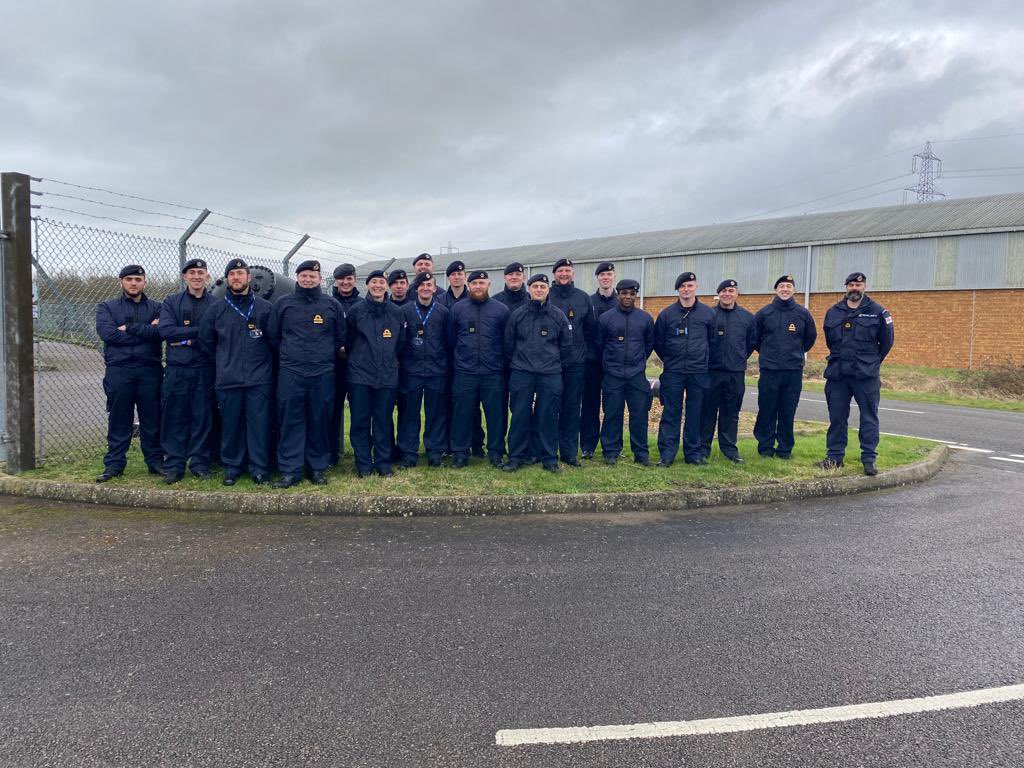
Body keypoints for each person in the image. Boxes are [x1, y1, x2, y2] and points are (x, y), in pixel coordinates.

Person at [266, 260, 346, 487]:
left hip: (322, 374)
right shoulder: (283, 304)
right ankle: (291, 470)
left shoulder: (331, 305)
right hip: (292, 373)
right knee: (291, 421)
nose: (308, 279)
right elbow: (273, 336)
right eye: (304, 276)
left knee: (319, 421)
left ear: (320, 279)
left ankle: (317, 468)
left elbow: (340, 338)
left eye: (313, 276)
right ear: (298, 277)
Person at [198, 258, 274, 486]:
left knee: (259, 425)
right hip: (228, 379)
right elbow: (205, 342)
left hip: (259, 379)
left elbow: (274, 342)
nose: (237, 278)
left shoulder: (264, 308)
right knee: (231, 426)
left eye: (241, 274)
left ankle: (259, 468)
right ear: (227, 279)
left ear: (249, 278)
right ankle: (232, 467)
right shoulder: (216, 309)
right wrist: (223, 362)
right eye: (232, 275)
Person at [818, 272, 895, 476]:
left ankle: (869, 458)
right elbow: (830, 340)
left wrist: (872, 362)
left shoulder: (878, 312)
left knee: (869, 417)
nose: (855, 288)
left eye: (858, 285)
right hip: (838, 374)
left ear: (864, 287)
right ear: (846, 287)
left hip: (865, 375)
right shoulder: (833, 312)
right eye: (851, 284)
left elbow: (886, 343)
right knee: (837, 417)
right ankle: (835, 457)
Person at [94, 265, 163, 482]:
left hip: (149, 370)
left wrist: (128, 328)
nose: (134, 283)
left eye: (138, 279)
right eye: (129, 279)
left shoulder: (157, 307)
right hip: (119, 371)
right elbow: (109, 335)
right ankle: (114, 465)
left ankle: (155, 462)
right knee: (119, 419)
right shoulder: (107, 307)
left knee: (152, 419)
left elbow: (159, 332)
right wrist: (145, 331)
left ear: (145, 282)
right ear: (121, 282)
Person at [502, 274, 572, 473]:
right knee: (519, 416)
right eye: (535, 286)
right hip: (522, 372)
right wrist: (517, 363)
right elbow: (508, 344)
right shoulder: (518, 315)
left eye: (543, 286)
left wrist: (555, 364)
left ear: (548, 289)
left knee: (548, 416)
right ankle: (515, 457)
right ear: (529, 289)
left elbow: (566, 346)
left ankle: (549, 458)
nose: (539, 290)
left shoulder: (558, 316)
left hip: (550, 373)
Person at [157, 258, 215, 483]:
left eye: (201, 272)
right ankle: (174, 464)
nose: (196, 276)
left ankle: (199, 463)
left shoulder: (214, 303)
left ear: (207, 276)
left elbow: (215, 335)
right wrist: (199, 335)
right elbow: (166, 331)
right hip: (177, 370)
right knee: (175, 417)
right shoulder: (171, 301)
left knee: (203, 416)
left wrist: (186, 338)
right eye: (192, 272)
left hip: (204, 368)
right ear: (185, 277)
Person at [345, 269, 407, 477]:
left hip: (387, 375)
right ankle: (363, 464)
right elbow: (349, 341)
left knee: (382, 421)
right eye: (374, 282)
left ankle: (383, 463)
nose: (378, 285)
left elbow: (400, 343)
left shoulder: (397, 313)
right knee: (360, 421)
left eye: (382, 282)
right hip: (360, 375)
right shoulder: (356, 311)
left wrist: (387, 361)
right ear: (367, 285)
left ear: (387, 286)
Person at [447, 270, 509, 468]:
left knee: (496, 415)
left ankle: (496, 453)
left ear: (488, 284)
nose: (478, 286)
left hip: (493, 373)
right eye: (474, 283)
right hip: (465, 372)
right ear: (468, 284)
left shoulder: (501, 310)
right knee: (462, 414)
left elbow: (506, 341)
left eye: (482, 283)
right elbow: (451, 339)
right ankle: (460, 453)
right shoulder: (458, 309)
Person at [752, 275, 817, 459]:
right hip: (770, 370)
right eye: (781, 286)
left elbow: (810, 338)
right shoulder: (764, 313)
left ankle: (784, 449)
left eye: (789, 286)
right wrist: (768, 353)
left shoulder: (802, 314)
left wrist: (795, 352)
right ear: (776, 290)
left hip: (793, 370)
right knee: (767, 409)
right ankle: (765, 447)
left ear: (794, 290)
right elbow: (755, 339)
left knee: (788, 410)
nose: (785, 289)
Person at [654, 271, 715, 466]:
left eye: (689, 286)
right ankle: (667, 454)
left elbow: (712, 342)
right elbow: (659, 342)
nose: (686, 289)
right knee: (671, 413)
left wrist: (702, 359)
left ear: (695, 287)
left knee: (695, 413)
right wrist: (671, 359)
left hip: (698, 372)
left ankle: (693, 454)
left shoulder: (708, 314)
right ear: (678, 290)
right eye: (682, 286)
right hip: (673, 371)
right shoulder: (666, 314)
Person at [597, 278, 655, 466]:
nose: (628, 297)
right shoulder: (606, 318)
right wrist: (610, 364)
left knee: (639, 415)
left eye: (631, 294)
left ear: (635, 295)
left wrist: (637, 362)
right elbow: (600, 345)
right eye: (624, 293)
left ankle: (641, 453)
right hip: (612, 374)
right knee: (612, 413)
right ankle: (611, 451)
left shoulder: (645, 318)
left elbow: (648, 345)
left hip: (636, 375)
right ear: (618, 294)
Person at [700, 279, 756, 463]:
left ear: (736, 294)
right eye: (723, 291)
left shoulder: (747, 318)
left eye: (731, 290)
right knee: (707, 412)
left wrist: (737, 359)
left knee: (731, 412)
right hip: (711, 372)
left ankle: (729, 449)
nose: (727, 294)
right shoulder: (708, 315)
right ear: (718, 294)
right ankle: (702, 449)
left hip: (735, 373)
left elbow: (750, 344)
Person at [396, 272, 449, 468]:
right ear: (416, 288)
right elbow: (400, 341)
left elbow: (448, 341)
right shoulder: (405, 311)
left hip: (437, 370)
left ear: (435, 289)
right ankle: (408, 453)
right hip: (412, 370)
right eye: (422, 285)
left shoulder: (443, 312)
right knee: (410, 412)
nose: (426, 288)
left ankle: (434, 452)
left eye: (430, 285)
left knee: (436, 413)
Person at [548, 258, 597, 466]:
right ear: (554, 275)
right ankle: (547, 450)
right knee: (548, 408)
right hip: (550, 364)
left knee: (571, 408)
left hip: (575, 364)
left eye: (568, 270)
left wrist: (582, 355)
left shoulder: (583, 298)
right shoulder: (546, 296)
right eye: (560, 271)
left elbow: (590, 330)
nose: (564, 274)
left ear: (573, 274)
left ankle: (569, 452)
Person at [581, 261, 617, 459]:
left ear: (613, 277)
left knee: (613, 406)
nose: (605, 277)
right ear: (597, 278)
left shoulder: (621, 301)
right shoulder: (589, 301)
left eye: (609, 274)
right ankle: (588, 445)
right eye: (602, 275)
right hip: (592, 363)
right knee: (589, 405)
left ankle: (611, 446)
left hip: (613, 364)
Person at [328, 263, 360, 466]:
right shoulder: (328, 303)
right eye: (341, 279)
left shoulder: (363, 303)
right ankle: (332, 453)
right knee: (332, 411)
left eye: (349, 278)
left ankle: (361, 453)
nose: (346, 282)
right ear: (336, 281)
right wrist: (338, 348)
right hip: (334, 366)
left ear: (355, 280)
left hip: (357, 365)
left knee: (359, 412)